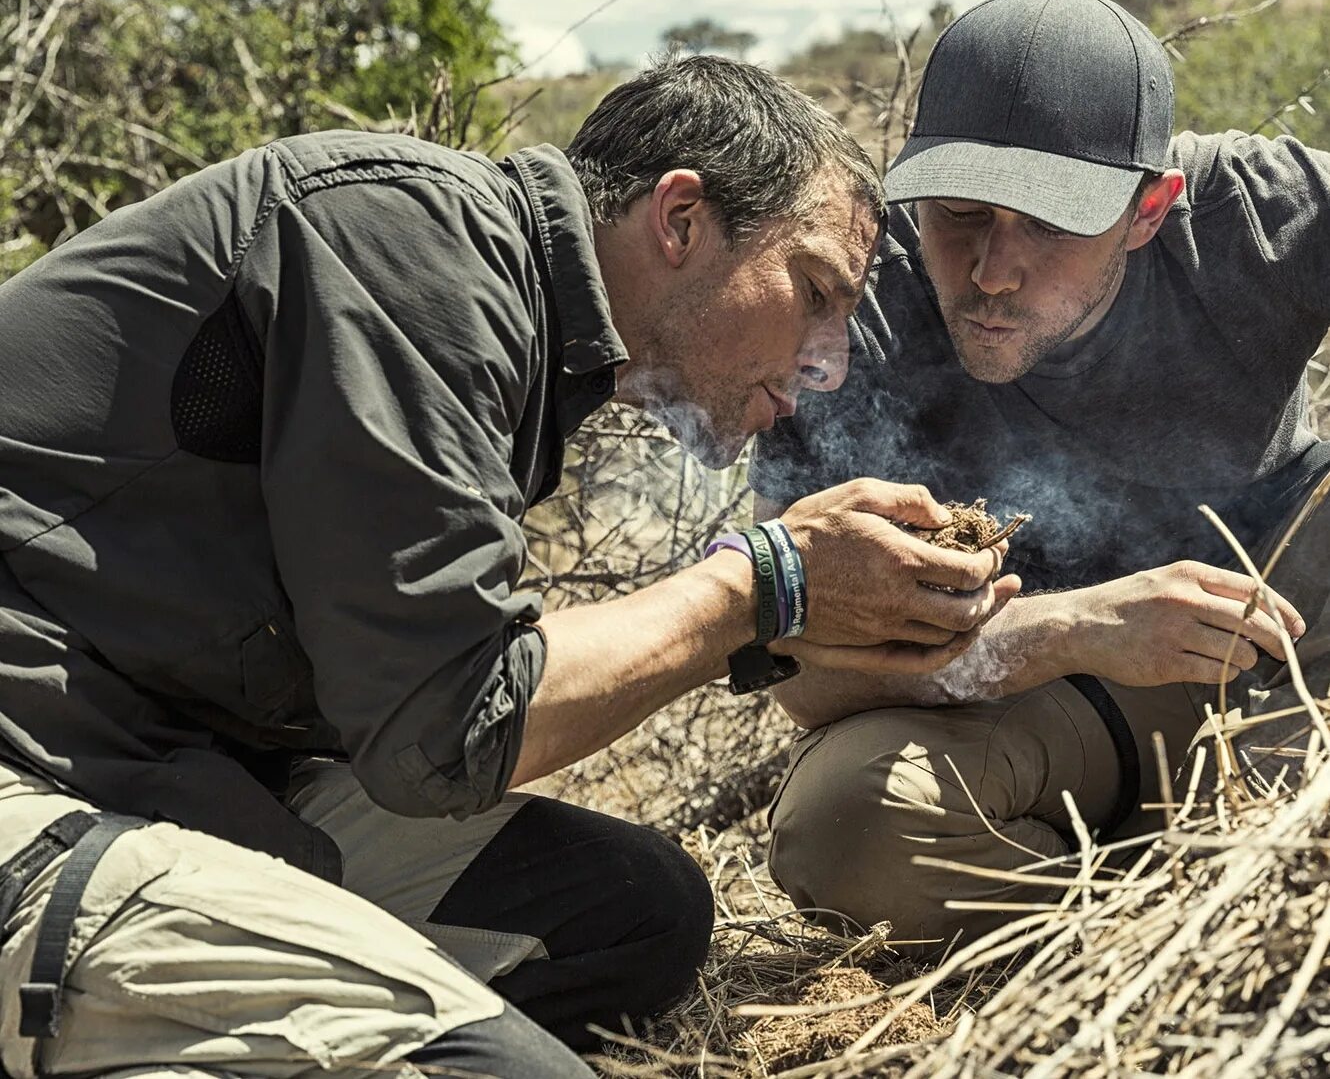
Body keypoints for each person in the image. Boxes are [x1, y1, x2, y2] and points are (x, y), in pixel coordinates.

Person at [0, 55, 1016, 1079]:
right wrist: (761, 583)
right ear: (679, 220)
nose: (827, 361)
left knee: (630, 914)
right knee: (499, 1069)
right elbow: (442, 730)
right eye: (812, 293)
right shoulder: (415, 247)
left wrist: (784, 605)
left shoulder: (520, 322)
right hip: (31, 767)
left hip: (147, 753)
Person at [749, 0, 1330, 957]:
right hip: (1057, 697)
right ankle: (1146, 936)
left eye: (1051, 224)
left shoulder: (1256, 213)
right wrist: (1068, 629)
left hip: (1292, 640)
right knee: (844, 825)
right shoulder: (849, 309)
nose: (991, 271)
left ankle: (1251, 852)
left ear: (1149, 208)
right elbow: (801, 680)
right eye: (961, 215)